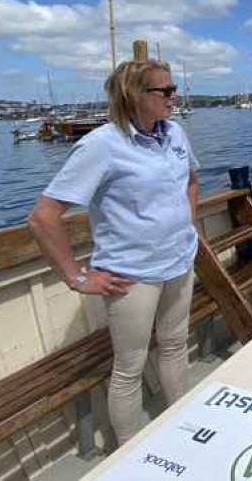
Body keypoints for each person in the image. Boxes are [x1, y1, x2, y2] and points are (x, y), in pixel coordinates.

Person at [27, 59, 200, 445]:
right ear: (134, 96)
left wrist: (186, 225)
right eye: (166, 91)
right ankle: (131, 455)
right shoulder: (102, 146)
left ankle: (181, 426)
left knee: (174, 345)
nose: (176, 97)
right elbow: (43, 217)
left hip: (179, 262)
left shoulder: (174, 134)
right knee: (130, 367)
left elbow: (191, 179)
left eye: (174, 89)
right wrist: (77, 277)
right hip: (131, 275)